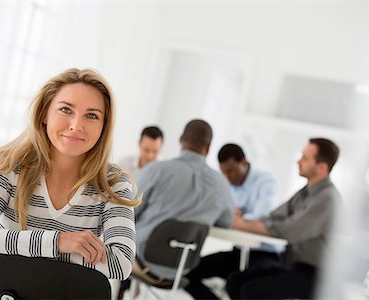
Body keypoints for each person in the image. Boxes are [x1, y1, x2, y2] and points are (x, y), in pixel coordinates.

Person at [0, 68, 140, 280]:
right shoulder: (9, 167)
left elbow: (121, 263)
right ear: (44, 114)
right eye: (66, 110)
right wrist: (58, 242)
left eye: (92, 115)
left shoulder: (114, 183)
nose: (76, 126)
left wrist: (30, 247)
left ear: (103, 127)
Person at [185, 138, 342, 300]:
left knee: (252, 291)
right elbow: (273, 217)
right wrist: (246, 223)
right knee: (235, 282)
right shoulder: (304, 193)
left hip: (317, 276)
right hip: (295, 267)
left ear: (322, 168)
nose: (298, 161)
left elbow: (288, 230)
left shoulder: (327, 199)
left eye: (305, 158)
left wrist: (241, 223)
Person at [134, 119, 234, 280]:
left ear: (180, 140)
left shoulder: (157, 170)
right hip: (182, 268)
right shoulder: (222, 185)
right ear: (208, 148)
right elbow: (226, 222)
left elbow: (126, 211)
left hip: (140, 260)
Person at [218, 143, 277, 220]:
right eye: (223, 172)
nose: (226, 176)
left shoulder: (267, 181)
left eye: (230, 171)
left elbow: (261, 217)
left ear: (244, 162)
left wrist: (233, 216)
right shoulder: (223, 180)